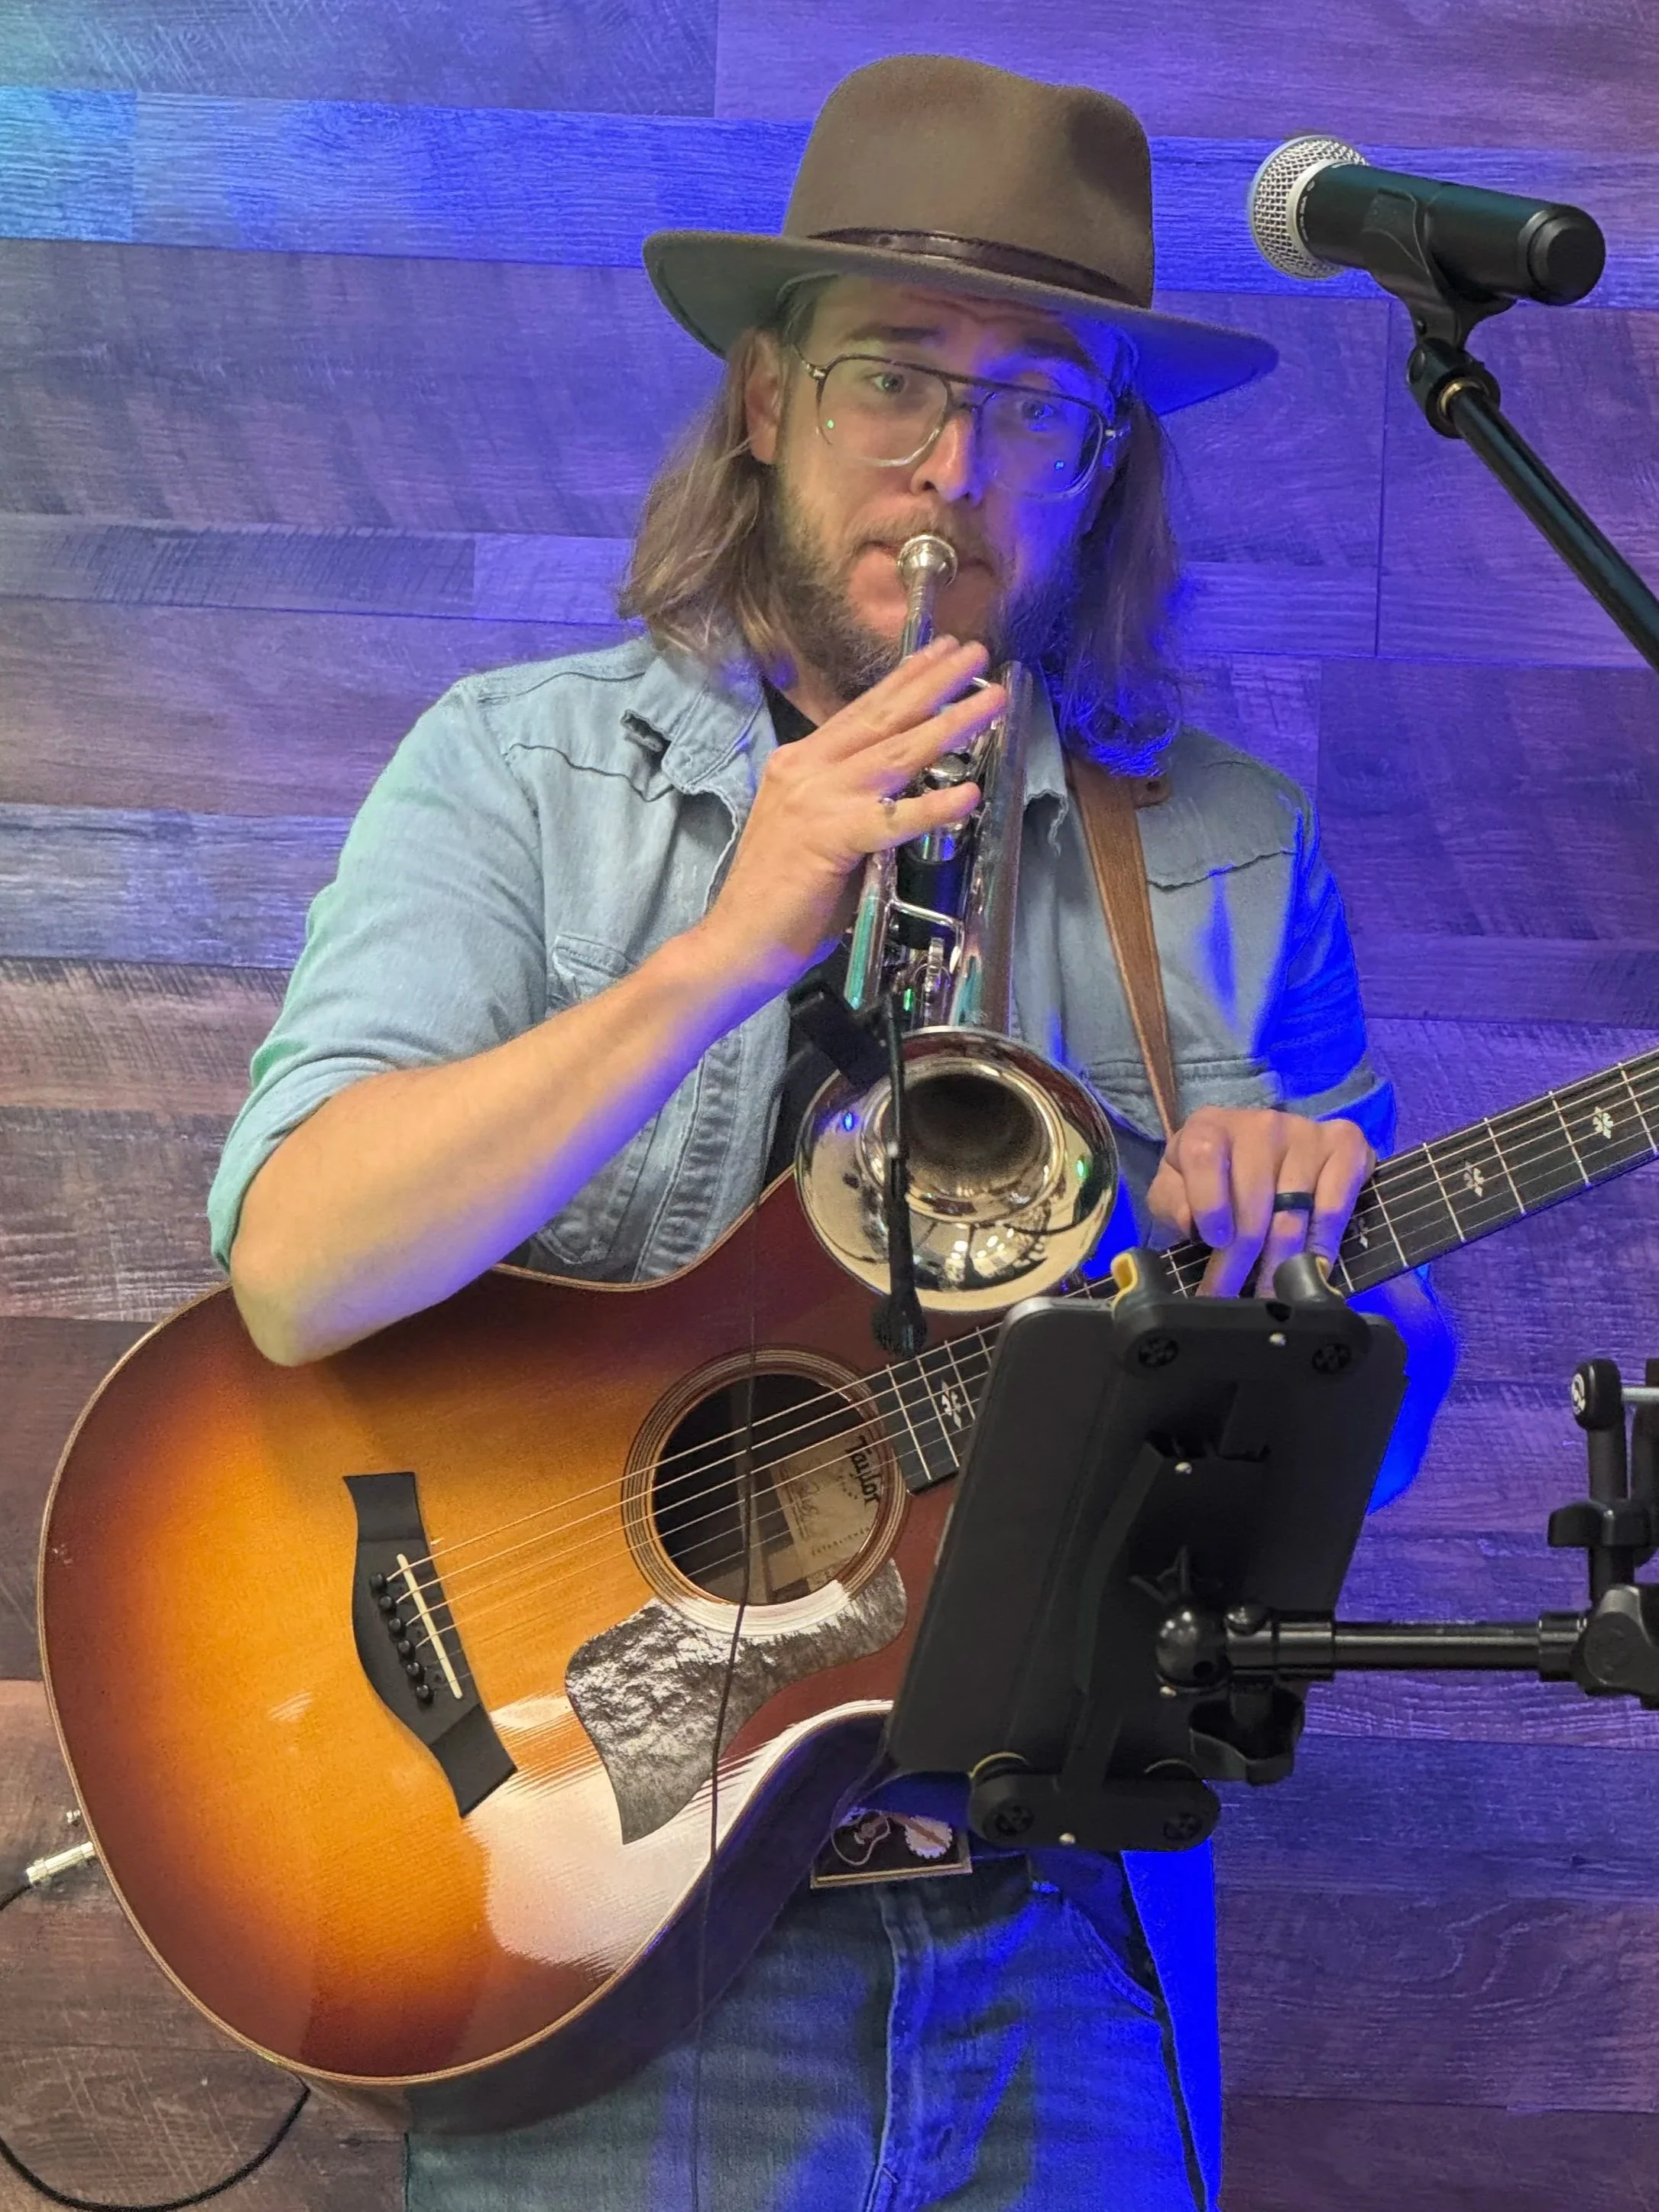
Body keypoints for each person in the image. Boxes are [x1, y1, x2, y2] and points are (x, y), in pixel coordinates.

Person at [207, 53, 1454, 2212]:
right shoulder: (516, 775)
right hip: (604, 1920)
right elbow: (302, 1259)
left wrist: (1325, 1308)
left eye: (1037, 405)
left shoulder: (1236, 853)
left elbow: (1392, 1430)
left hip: (1057, 1956)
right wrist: (723, 944)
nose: (955, 468)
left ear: (1102, 458)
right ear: (770, 399)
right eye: (895, 379)